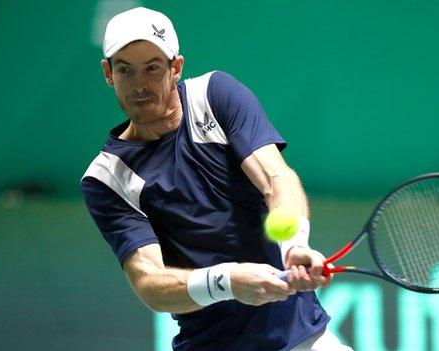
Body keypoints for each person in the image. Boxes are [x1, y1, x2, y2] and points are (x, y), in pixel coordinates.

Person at [80, 7, 352, 351]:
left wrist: (295, 244)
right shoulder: (106, 178)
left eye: (152, 67)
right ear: (108, 73)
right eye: (125, 70)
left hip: (304, 338)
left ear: (175, 67)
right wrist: (227, 282)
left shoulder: (214, 96)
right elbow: (148, 280)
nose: (139, 85)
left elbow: (274, 176)